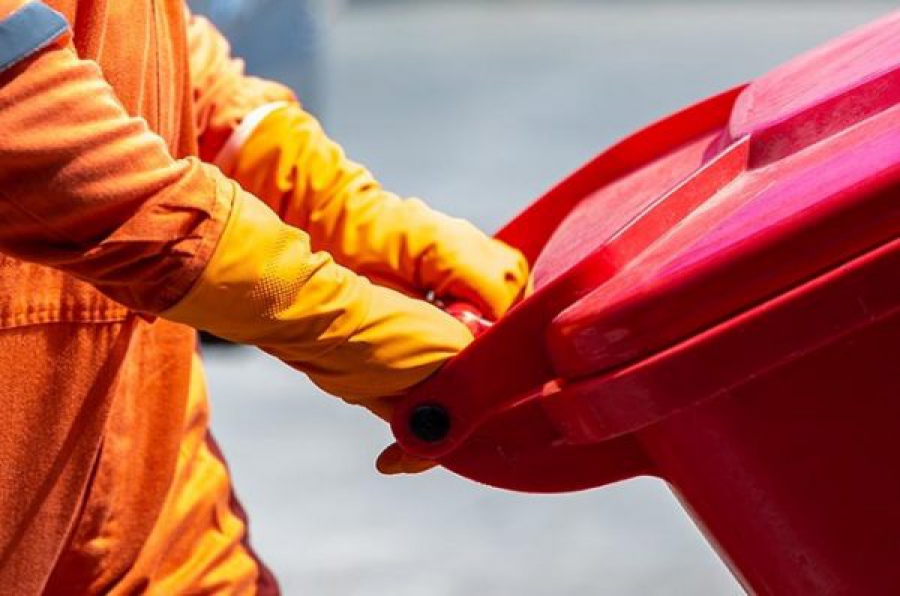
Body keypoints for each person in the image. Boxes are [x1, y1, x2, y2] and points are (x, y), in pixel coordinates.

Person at [0, 1, 530, 593]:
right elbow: (22, 114)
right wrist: (314, 307)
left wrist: (323, 194)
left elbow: (130, 30)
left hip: (148, 470)